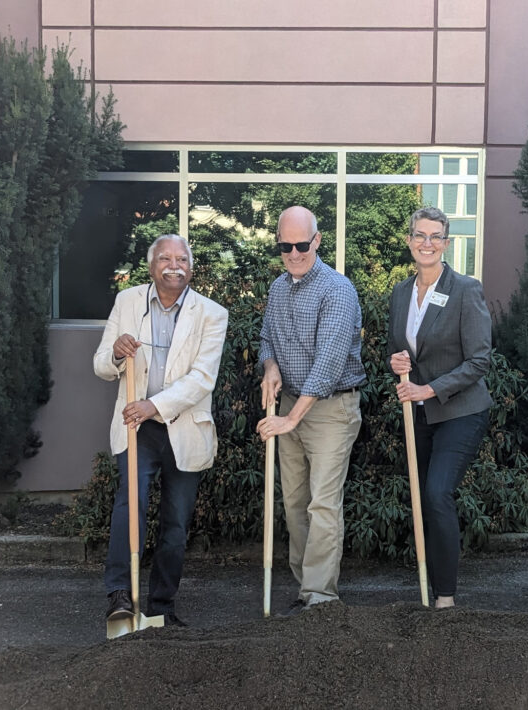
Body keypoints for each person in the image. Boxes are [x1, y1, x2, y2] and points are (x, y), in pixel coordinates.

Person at [94, 234, 229, 626]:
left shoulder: (211, 314)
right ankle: (120, 595)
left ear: (191, 267)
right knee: (129, 506)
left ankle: (161, 607)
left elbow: (203, 379)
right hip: (136, 427)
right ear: (152, 266)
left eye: (182, 259)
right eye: (166, 258)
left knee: (176, 521)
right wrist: (117, 353)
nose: (175, 265)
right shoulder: (128, 302)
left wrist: (155, 404)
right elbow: (101, 365)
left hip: (183, 428)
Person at [256, 206, 365, 614]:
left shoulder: (338, 290)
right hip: (289, 403)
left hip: (331, 408)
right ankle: (306, 588)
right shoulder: (277, 289)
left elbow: (327, 366)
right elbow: (266, 337)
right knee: (294, 502)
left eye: (302, 244)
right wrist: (269, 366)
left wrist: (290, 419)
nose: (295, 253)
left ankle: (320, 598)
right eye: (286, 246)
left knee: (322, 502)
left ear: (317, 241)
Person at [387, 206, 493, 608]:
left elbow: (479, 361)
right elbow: (395, 352)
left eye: (435, 237)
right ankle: (428, 588)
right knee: (422, 498)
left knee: (436, 493)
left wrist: (429, 389)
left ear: (446, 244)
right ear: (410, 240)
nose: (426, 243)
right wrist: (395, 362)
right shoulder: (400, 293)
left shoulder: (465, 289)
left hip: (460, 411)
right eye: (420, 235)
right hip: (419, 414)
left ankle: (446, 598)